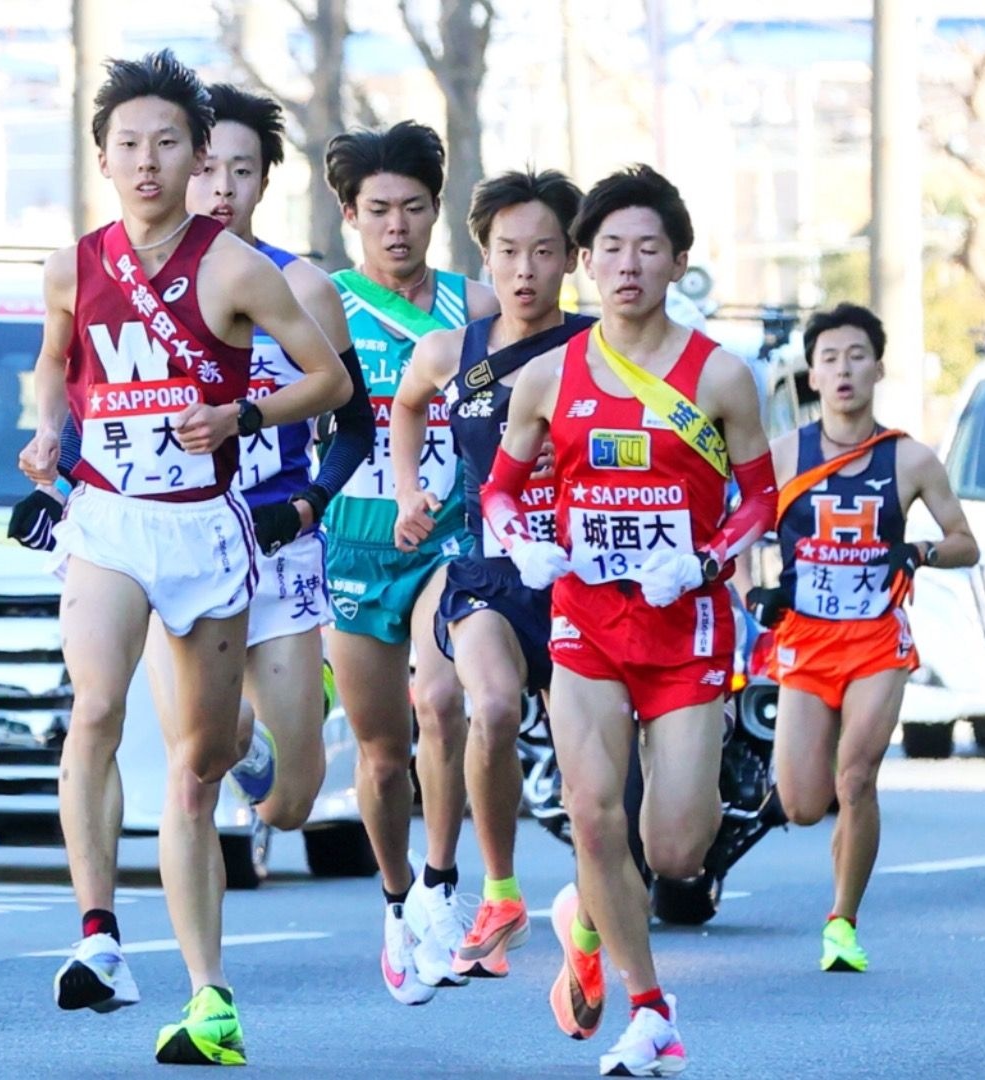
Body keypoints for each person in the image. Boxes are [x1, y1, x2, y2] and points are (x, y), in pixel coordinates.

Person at [17, 51, 350, 1066]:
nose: (149, 162)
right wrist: (44, 434)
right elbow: (53, 361)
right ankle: (99, 935)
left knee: (198, 771)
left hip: (206, 527)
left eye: (168, 143)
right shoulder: (75, 261)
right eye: (130, 145)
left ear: (198, 156)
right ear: (104, 159)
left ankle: (210, 996)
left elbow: (332, 384)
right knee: (97, 706)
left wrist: (241, 410)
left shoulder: (233, 268)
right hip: (110, 519)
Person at [11, 84, 374, 830]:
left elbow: (353, 417)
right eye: (212, 171)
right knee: (186, 764)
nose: (221, 188)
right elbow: (88, 387)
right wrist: (54, 452)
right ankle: (134, 934)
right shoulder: (99, 268)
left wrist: (304, 497)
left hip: (276, 532)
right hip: (167, 528)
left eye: (240, 172)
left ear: (261, 180)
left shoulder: (296, 285)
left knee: (289, 804)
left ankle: (263, 729)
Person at [481, 164, 777, 1075]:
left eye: (648, 248)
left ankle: (586, 910)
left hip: (682, 630)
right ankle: (649, 1012)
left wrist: (703, 559)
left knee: (675, 849)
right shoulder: (545, 376)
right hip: (586, 628)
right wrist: (524, 545)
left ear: (677, 261)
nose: (627, 265)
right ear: (585, 261)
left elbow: (762, 501)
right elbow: (499, 491)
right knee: (593, 812)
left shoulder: (720, 376)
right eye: (609, 248)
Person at [388, 168, 593, 982]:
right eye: (507, 251)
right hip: (485, 570)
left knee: (591, 774)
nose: (524, 270)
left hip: (581, 578)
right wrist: (412, 490)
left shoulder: (596, 347)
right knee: (493, 705)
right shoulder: (451, 352)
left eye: (544, 251)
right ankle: (499, 890)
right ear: (484, 254)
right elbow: (406, 404)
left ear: (571, 259)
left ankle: (588, 918)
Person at [319, 119, 499, 1001]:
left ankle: (440, 883)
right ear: (350, 214)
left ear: (439, 213)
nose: (397, 226)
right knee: (382, 751)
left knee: (442, 697)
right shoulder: (324, 303)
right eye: (379, 209)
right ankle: (395, 903)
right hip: (355, 538)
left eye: (415, 208)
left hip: (452, 535)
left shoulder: (481, 304)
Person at [744, 303, 979, 973]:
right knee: (800, 801)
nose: (843, 370)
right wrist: (754, 591)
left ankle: (841, 923)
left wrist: (921, 554)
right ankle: (835, 856)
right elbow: (739, 535)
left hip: (877, 641)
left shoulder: (910, 458)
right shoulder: (784, 455)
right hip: (805, 643)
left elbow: (967, 543)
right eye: (829, 359)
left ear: (879, 368)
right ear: (811, 375)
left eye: (856, 357)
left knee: (856, 777)